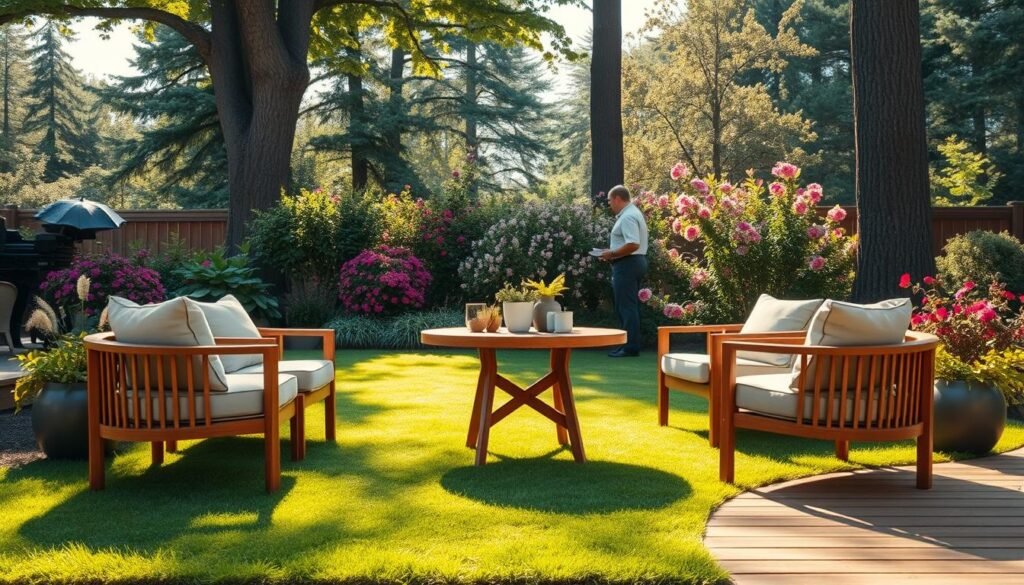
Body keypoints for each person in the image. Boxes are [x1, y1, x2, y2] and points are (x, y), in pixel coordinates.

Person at [600, 185, 649, 357]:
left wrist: (611, 253)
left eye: (609, 201)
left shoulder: (628, 216)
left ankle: (630, 347)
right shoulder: (632, 213)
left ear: (617, 199)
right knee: (628, 306)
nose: (609, 205)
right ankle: (628, 345)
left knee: (626, 306)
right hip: (633, 262)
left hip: (628, 264)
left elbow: (633, 244)